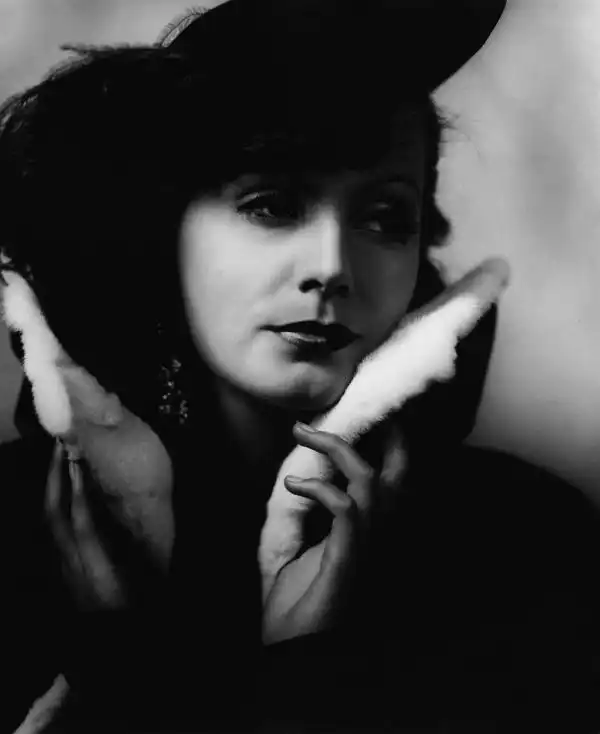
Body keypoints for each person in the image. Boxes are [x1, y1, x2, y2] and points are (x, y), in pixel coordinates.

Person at [1, 1, 599, 732]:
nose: (331, 266)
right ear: (163, 228)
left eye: (384, 218)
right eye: (271, 205)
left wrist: (311, 672)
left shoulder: (525, 543)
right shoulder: (16, 532)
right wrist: (118, 670)